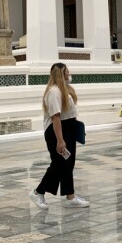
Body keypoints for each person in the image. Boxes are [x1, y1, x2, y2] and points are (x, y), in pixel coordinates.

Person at [29, 63, 89, 210]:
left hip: (68, 129)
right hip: (57, 131)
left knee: (68, 164)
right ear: (61, 74)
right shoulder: (54, 92)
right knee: (58, 164)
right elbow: (55, 117)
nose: (69, 74)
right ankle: (38, 192)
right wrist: (60, 141)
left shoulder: (64, 90)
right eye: (67, 72)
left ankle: (70, 197)